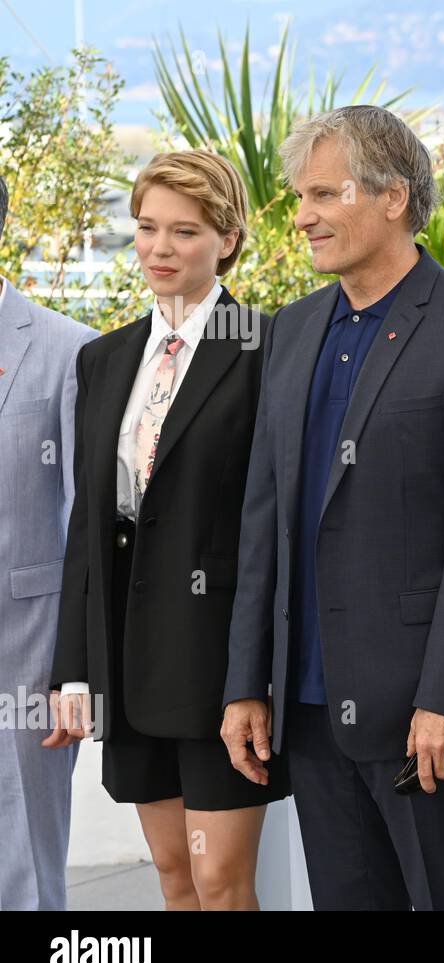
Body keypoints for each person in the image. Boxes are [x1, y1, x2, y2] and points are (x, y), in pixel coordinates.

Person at [221, 105, 444, 911]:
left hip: (421, 716)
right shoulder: (291, 331)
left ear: (394, 197)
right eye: (300, 197)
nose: (303, 217)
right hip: (309, 707)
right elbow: (264, 520)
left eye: (325, 194)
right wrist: (246, 684)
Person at [47, 150, 284, 910]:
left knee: (221, 881)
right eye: (147, 228)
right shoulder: (104, 359)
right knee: (176, 877)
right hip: (131, 660)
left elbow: (273, 521)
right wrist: (74, 669)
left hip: (220, 667)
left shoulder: (267, 347)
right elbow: (89, 522)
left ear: (229, 238)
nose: (159, 248)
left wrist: (256, 674)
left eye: (184, 231)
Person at [0, 173, 97, 910]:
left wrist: (74, 672)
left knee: (27, 869)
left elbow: (89, 520)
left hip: (24, 657)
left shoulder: (69, 349)